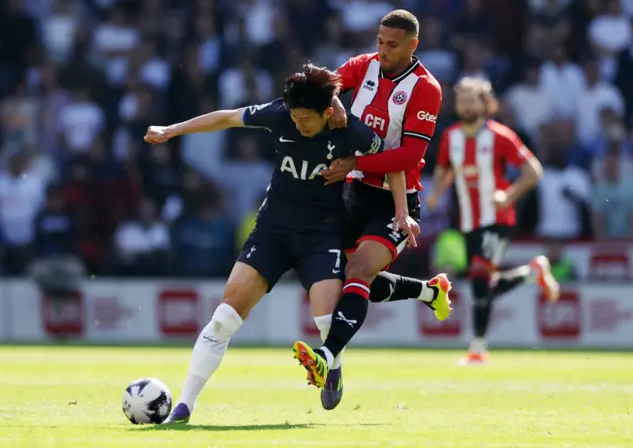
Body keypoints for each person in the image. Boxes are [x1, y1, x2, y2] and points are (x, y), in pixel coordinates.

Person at [143, 64, 441, 424]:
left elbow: (394, 165)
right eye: (296, 117)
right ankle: (184, 406)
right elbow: (227, 117)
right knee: (224, 317)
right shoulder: (280, 115)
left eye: (306, 119)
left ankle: (332, 361)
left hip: (322, 235)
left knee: (328, 319)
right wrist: (172, 130)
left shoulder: (352, 133)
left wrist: (399, 212)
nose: (299, 124)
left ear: (328, 112)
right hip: (273, 230)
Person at [292, 10, 452, 391]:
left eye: (392, 45)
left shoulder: (425, 88)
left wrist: (354, 161)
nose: (382, 51)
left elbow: (410, 156)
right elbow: (320, 84)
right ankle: (430, 291)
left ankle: (328, 357)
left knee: (360, 271)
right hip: (351, 192)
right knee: (334, 277)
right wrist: (335, 99)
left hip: (395, 200)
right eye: (379, 42)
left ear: (413, 45)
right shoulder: (363, 66)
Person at [377, 76, 560, 366]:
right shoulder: (451, 136)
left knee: (478, 278)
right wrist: (435, 194)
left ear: (485, 104)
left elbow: (533, 171)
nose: (464, 105)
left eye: (471, 99)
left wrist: (509, 196)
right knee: (483, 282)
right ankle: (531, 272)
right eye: (461, 100)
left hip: (498, 219)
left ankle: (477, 349)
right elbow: (445, 169)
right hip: (468, 222)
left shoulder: (500, 135)